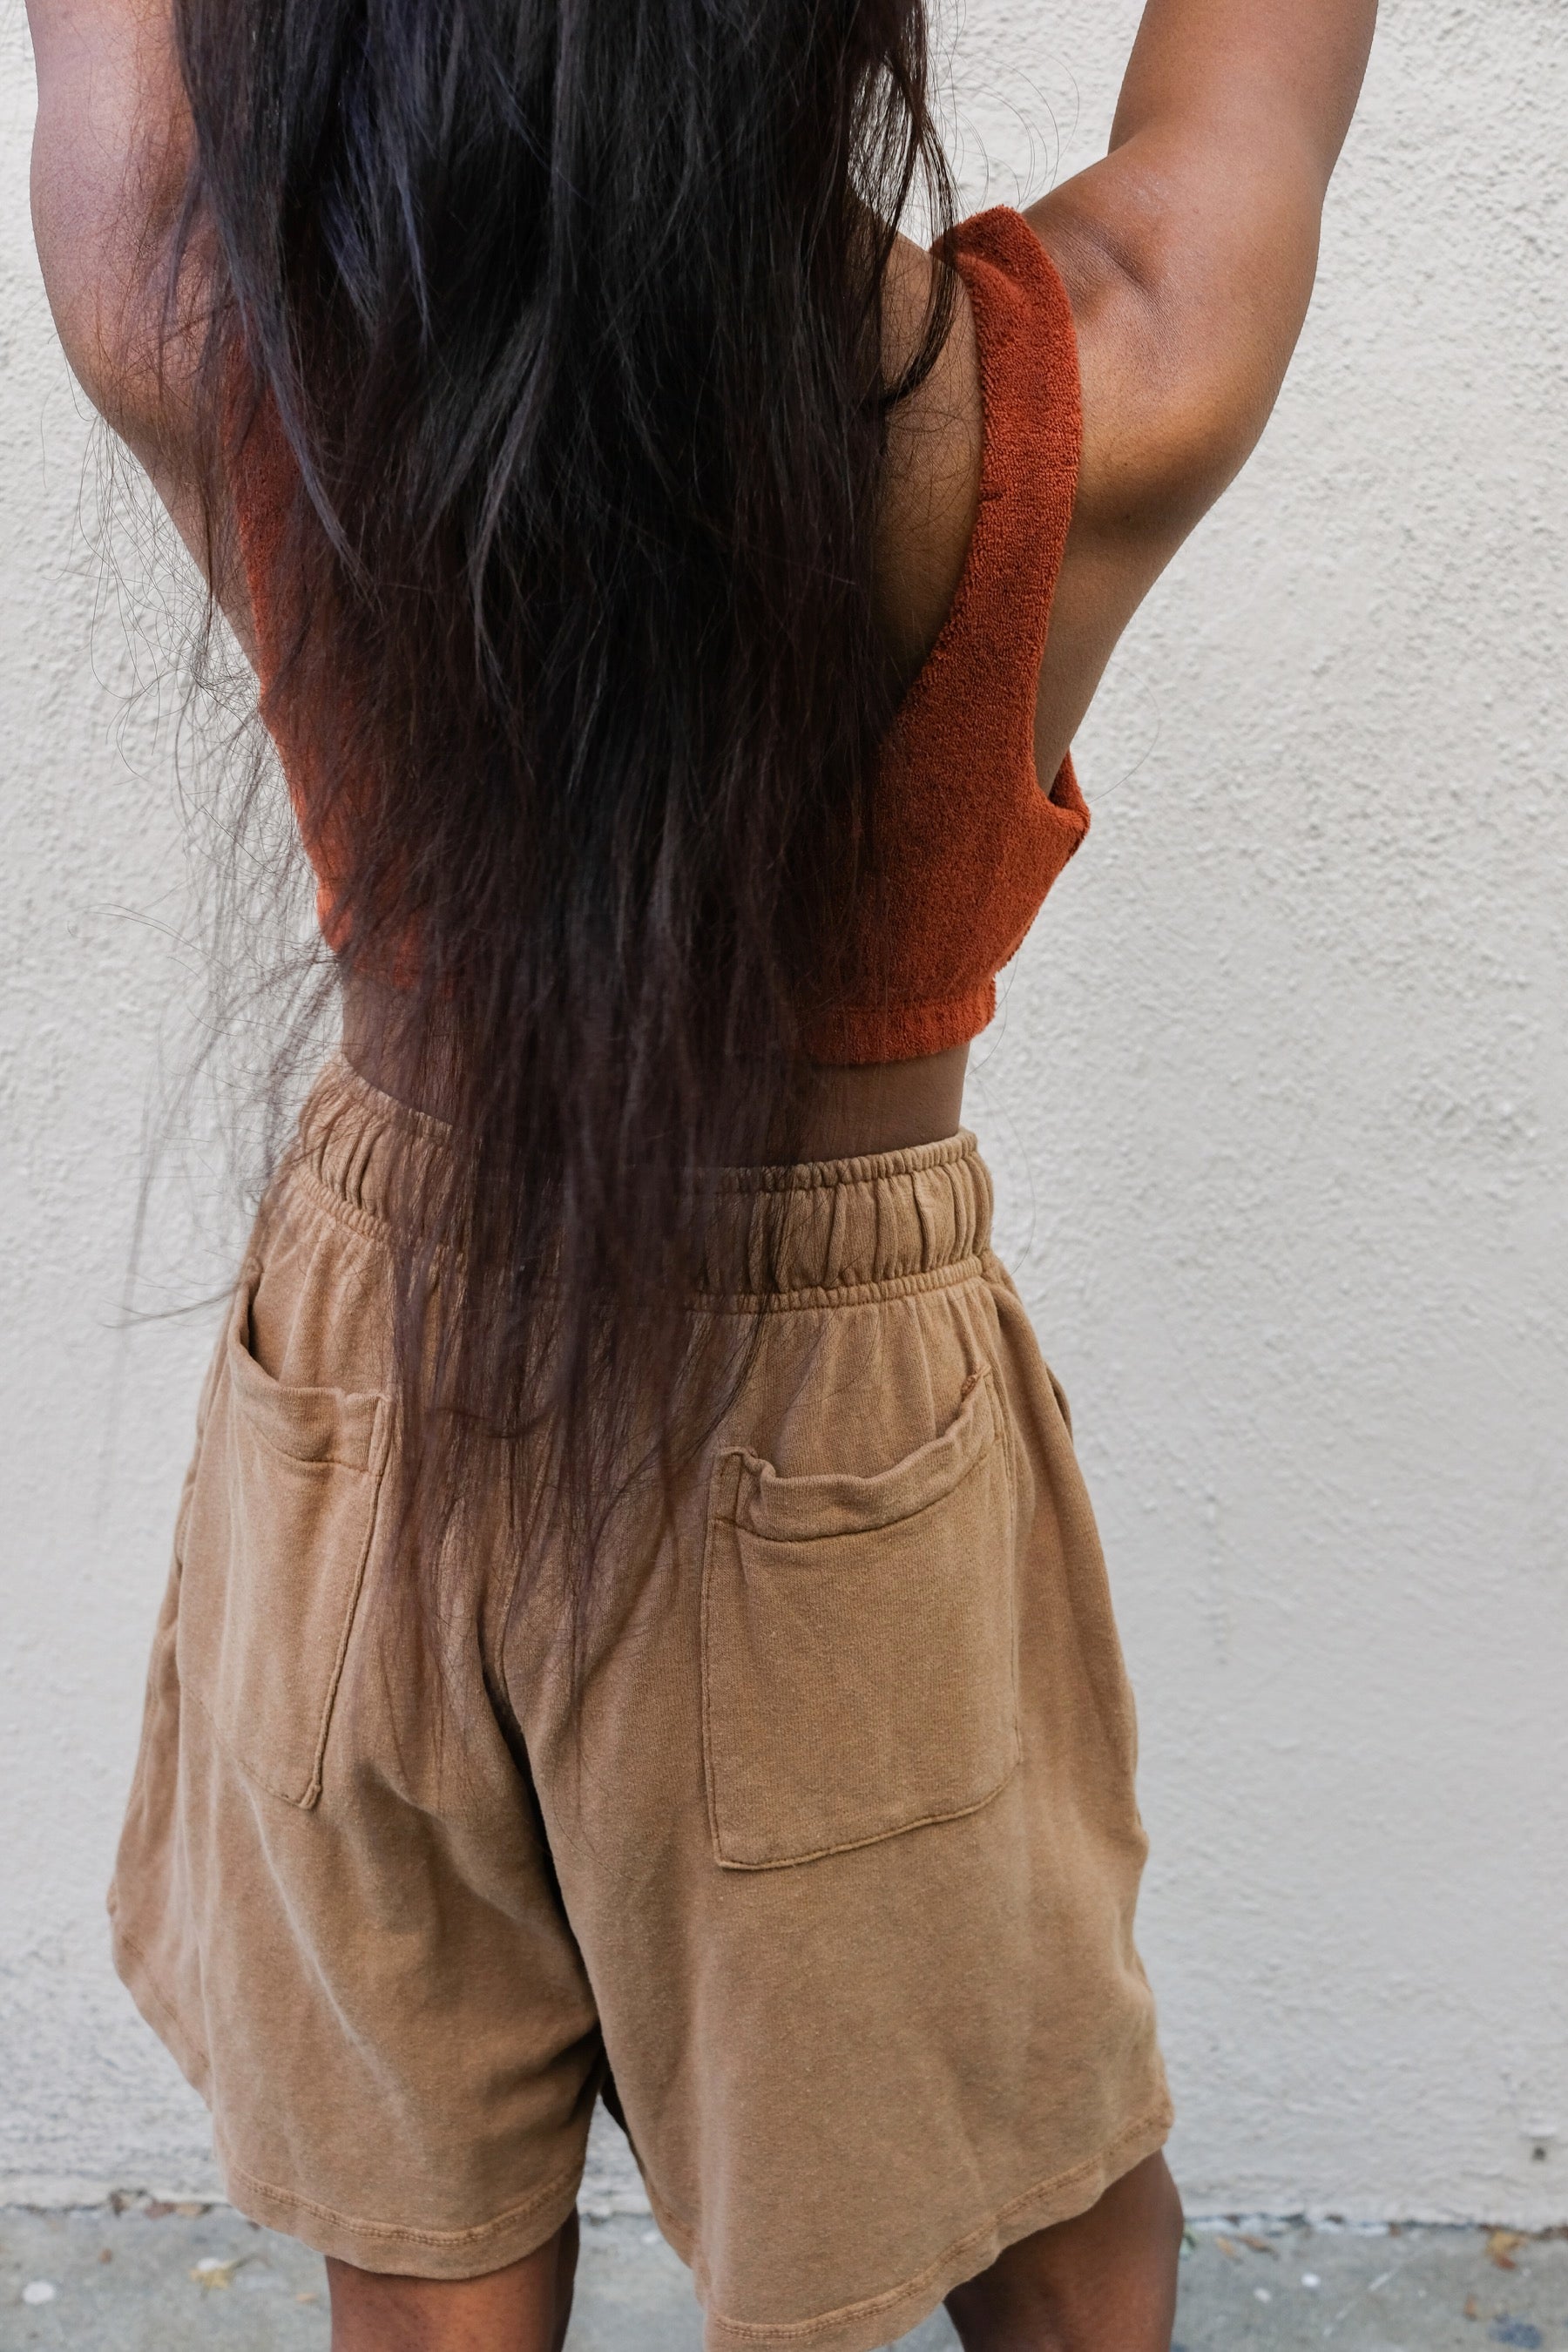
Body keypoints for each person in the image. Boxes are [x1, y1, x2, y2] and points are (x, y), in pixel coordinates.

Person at [26, 1, 1375, 2345]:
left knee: (426, 2251)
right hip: (831, 1454)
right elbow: (1262, 77)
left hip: (370, 1393)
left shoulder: (204, 312)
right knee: (1053, 2213)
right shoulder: (1091, 389)